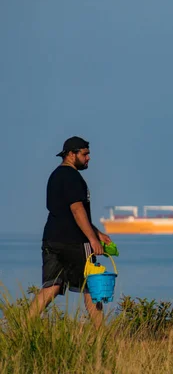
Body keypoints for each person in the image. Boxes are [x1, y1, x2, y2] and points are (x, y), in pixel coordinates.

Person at [28, 136, 112, 328]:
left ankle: (23, 327)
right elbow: (76, 209)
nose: (88, 158)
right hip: (74, 241)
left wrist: (97, 232)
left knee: (52, 287)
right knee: (92, 286)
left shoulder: (55, 175)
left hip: (52, 239)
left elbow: (66, 211)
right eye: (85, 154)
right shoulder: (73, 177)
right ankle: (102, 335)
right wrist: (93, 239)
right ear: (71, 154)